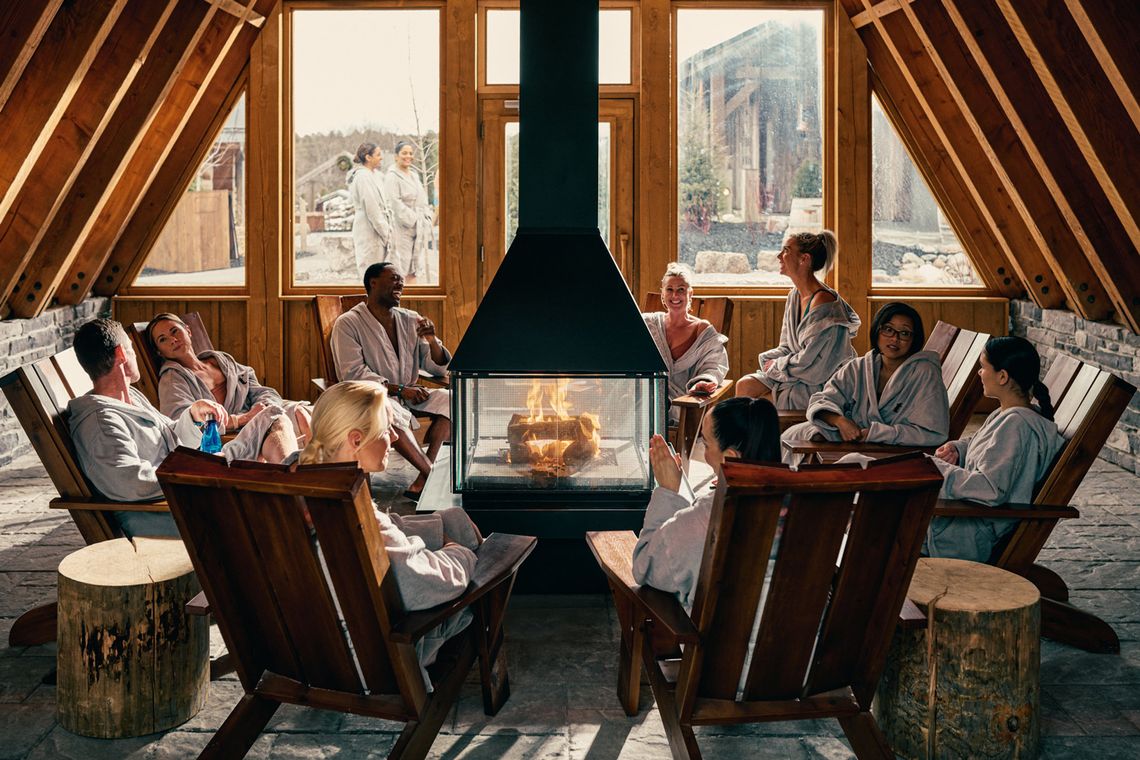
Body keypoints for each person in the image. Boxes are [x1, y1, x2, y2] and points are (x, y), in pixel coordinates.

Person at [290, 380, 481, 685]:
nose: (394, 437)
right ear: (355, 439)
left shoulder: (300, 491)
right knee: (487, 569)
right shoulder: (353, 517)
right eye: (387, 429)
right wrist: (460, 552)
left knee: (452, 518)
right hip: (366, 663)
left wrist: (440, 525)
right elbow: (425, 585)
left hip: (305, 647)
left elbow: (388, 536)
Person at [67, 318, 294, 537]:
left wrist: (193, 415)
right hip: (177, 509)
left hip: (194, 478)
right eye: (132, 349)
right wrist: (197, 471)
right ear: (120, 354)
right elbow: (128, 482)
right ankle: (297, 504)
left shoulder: (129, 398)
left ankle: (294, 490)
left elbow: (170, 434)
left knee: (271, 417)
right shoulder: (100, 423)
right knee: (272, 507)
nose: (134, 354)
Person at [632, 397, 781, 612]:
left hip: (722, 643)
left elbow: (644, 567)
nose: (703, 452)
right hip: (802, 643)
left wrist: (667, 491)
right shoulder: (808, 506)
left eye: (706, 443)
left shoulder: (706, 519)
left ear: (729, 458)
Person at [926, 336, 1065, 563]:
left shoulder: (1017, 425)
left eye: (983, 367)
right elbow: (985, 445)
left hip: (968, 533)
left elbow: (989, 489)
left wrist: (934, 469)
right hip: (965, 520)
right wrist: (958, 448)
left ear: (1002, 376)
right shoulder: (1009, 415)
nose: (979, 373)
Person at [331, 262, 451, 496]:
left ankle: (423, 477)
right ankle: (433, 475)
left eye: (402, 280)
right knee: (387, 410)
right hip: (370, 400)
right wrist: (399, 390)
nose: (401, 283)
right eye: (394, 278)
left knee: (451, 400)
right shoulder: (348, 323)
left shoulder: (410, 320)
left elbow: (436, 367)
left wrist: (432, 339)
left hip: (410, 395)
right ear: (373, 283)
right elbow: (352, 374)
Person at [782, 302, 949, 451]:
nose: (895, 338)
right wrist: (839, 421)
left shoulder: (925, 372)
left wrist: (878, 433)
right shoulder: (859, 367)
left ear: (914, 339)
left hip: (892, 451)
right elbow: (822, 399)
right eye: (888, 329)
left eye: (904, 333)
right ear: (877, 331)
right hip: (855, 440)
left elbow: (933, 432)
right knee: (795, 435)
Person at [735, 230, 860, 409]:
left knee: (757, 407)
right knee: (744, 385)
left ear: (804, 259)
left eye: (786, 250)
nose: (779, 256)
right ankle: (746, 437)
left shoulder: (825, 304)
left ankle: (760, 437)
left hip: (821, 381)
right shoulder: (794, 296)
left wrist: (777, 366)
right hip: (796, 373)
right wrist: (773, 364)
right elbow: (786, 346)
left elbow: (815, 365)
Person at [145, 313, 311, 446]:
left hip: (257, 414)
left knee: (306, 412)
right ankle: (307, 470)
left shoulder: (219, 360)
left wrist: (263, 407)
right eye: (163, 339)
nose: (172, 339)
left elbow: (260, 390)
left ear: (188, 330)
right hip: (232, 433)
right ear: (160, 352)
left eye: (174, 331)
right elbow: (181, 424)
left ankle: (316, 466)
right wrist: (244, 418)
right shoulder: (172, 380)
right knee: (297, 418)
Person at [642, 262, 729, 422]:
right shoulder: (648, 324)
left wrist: (704, 381)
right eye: (670, 289)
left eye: (681, 290)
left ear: (690, 293)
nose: (675, 295)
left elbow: (715, 364)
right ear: (662, 293)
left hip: (684, 405)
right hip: (646, 400)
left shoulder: (702, 330)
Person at [383, 140, 434, 283]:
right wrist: (413, 218)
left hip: (417, 227)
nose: (408, 156)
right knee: (401, 266)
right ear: (396, 156)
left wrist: (426, 217)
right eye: (404, 153)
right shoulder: (392, 176)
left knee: (414, 266)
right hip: (402, 228)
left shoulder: (414, 175)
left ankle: (413, 297)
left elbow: (422, 199)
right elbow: (394, 202)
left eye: (411, 153)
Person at [347, 142, 395, 278]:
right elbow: (372, 208)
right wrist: (385, 233)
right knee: (370, 273)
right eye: (378, 155)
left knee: (380, 273)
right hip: (368, 229)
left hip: (377, 230)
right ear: (368, 157)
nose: (381, 158)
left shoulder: (375, 176)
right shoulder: (362, 177)